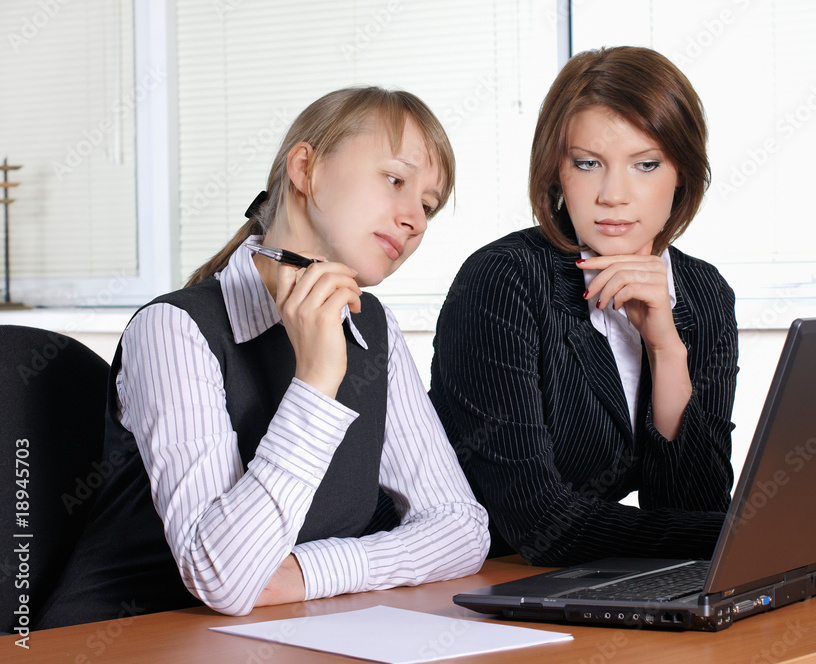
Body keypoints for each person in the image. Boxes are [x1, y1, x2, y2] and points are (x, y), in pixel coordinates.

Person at [38, 87, 489, 628]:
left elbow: (462, 529)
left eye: (428, 205)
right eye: (395, 180)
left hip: (291, 630)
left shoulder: (374, 330)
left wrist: (306, 572)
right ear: (305, 168)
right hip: (128, 637)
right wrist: (317, 382)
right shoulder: (174, 330)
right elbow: (223, 576)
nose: (414, 218)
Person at [429, 47, 736, 566]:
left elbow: (691, 507)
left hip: (584, 580)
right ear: (557, 170)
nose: (614, 195)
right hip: (463, 580)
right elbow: (536, 524)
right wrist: (740, 537)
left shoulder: (702, 293)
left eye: (645, 164)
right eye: (588, 163)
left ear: (681, 170)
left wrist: (667, 349)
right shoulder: (505, 280)